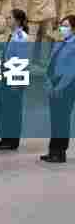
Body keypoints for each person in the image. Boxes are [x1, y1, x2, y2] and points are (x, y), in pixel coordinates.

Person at [40, 15, 75, 163]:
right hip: (54, 82)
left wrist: (60, 86)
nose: (62, 28)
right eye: (61, 25)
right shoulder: (59, 43)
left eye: (66, 26)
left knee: (62, 119)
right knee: (55, 119)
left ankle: (60, 152)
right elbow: (50, 63)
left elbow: (71, 70)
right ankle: (52, 150)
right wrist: (49, 81)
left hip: (66, 85)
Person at [0, 9, 29, 150]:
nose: (7, 20)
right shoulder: (13, 35)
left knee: (13, 111)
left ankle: (12, 141)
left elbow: (20, 60)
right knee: (4, 109)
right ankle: (5, 137)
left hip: (14, 78)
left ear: (18, 20)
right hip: (6, 76)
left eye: (10, 18)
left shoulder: (21, 37)